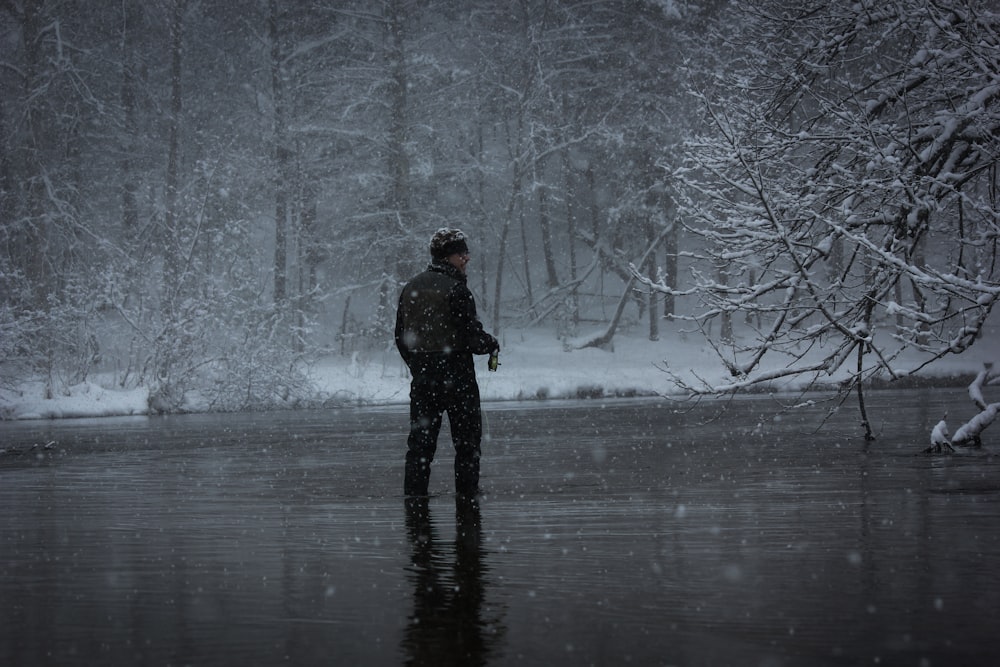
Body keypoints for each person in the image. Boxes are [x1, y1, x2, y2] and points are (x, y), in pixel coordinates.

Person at [395, 228, 499, 497]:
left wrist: (419, 366)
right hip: (458, 379)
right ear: (446, 256)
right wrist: (490, 343)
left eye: (466, 252)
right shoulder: (456, 289)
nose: (466, 258)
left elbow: (400, 337)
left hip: (423, 380)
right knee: (467, 444)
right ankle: (467, 500)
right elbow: (471, 337)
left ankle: (415, 504)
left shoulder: (411, 287)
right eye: (460, 253)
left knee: (420, 446)